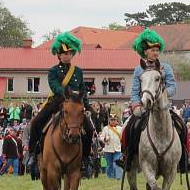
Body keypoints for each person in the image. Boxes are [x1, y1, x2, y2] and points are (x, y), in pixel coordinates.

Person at [119, 29, 187, 171]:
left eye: (157, 49)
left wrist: (162, 95)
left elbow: (172, 87)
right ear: (145, 52)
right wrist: (136, 105)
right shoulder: (139, 70)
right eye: (152, 50)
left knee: (182, 127)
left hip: (163, 107)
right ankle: (127, 157)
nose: (155, 52)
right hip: (144, 107)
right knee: (128, 127)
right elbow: (134, 91)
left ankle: (184, 160)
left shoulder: (165, 68)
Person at [27, 32, 93, 160]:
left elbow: (82, 89)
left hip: (76, 105)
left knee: (89, 129)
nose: (67, 56)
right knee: (36, 122)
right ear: (59, 55)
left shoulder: (78, 71)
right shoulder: (53, 71)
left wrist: (87, 105)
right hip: (58, 102)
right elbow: (55, 86)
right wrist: (67, 93)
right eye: (65, 54)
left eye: (69, 53)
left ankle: (85, 157)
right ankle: (32, 153)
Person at [99, 114, 123, 179]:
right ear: (109, 121)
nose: (113, 121)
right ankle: (110, 177)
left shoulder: (120, 129)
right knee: (109, 165)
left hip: (117, 149)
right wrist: (104, 139)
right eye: (111, 120)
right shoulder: (105, 128)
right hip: (108, 149)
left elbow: (123, 138)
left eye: (114, 120)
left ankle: (118, 177)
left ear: (117, 121)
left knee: (117, 163)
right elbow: (100, 137)